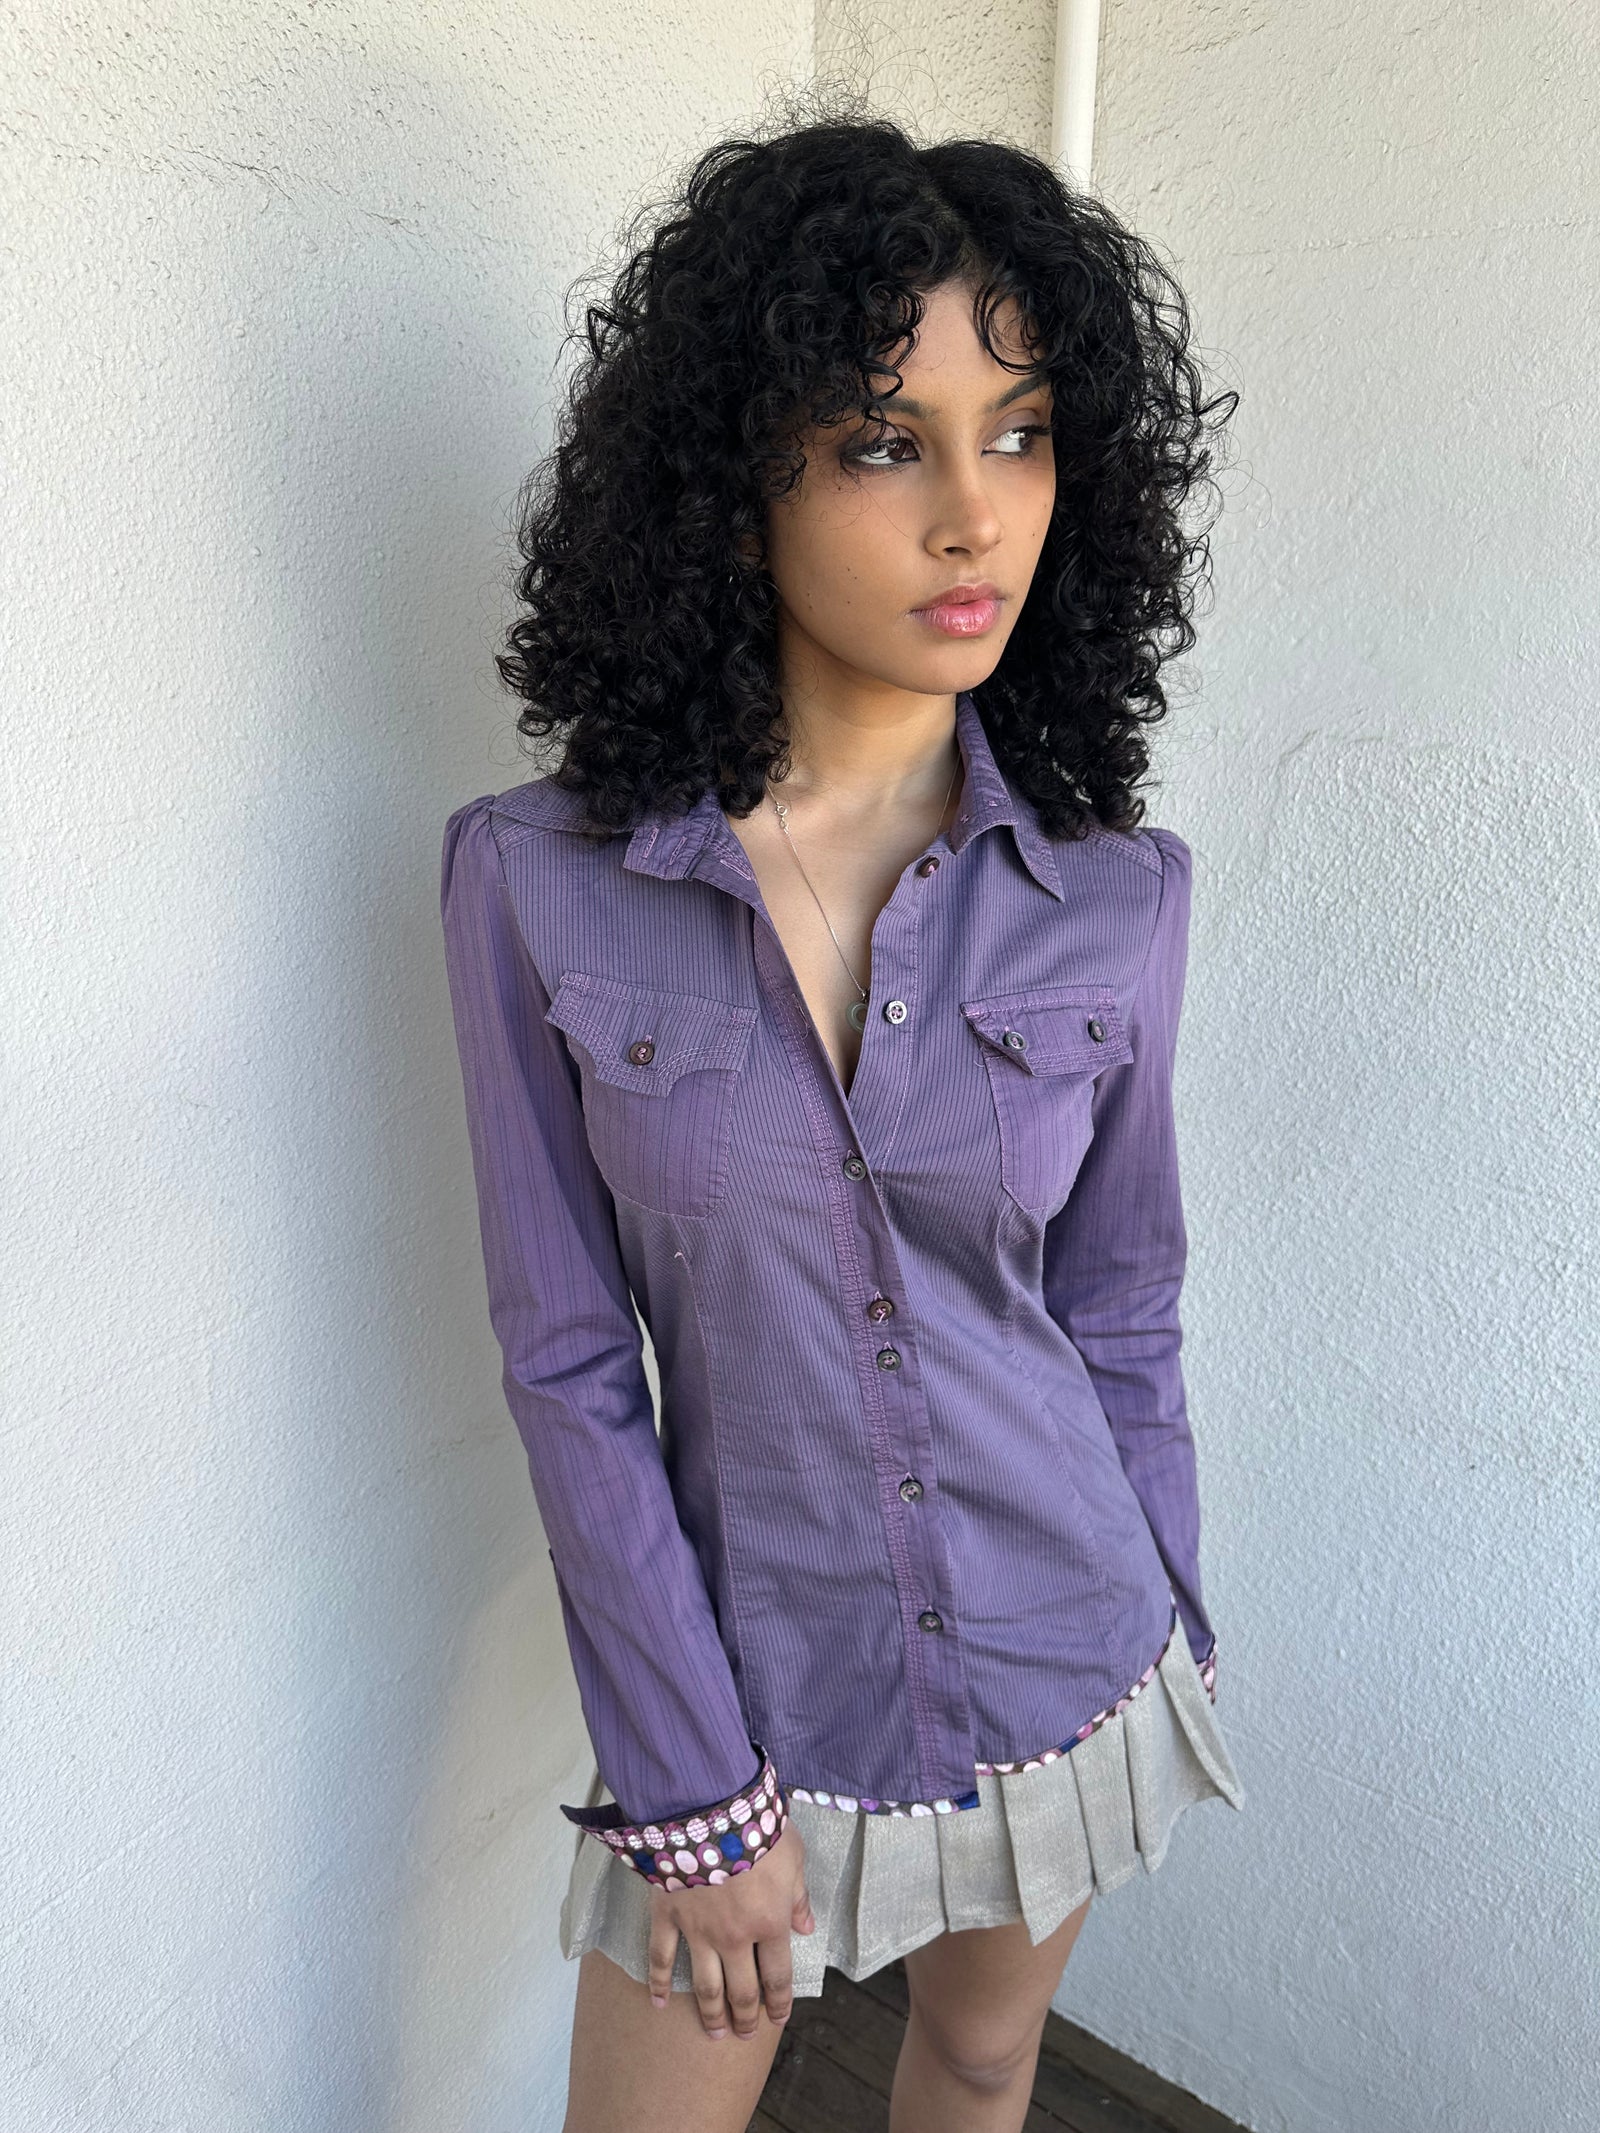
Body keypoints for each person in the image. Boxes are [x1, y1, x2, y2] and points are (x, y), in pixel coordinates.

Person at [439, 104, 1244, 2133]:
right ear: (737, 485)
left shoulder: (1114, 895)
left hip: (1068, 1643)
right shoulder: (536, 882)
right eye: (887, 440)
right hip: (736, 1699)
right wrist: (690, 1791)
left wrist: (1174, 1601)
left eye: (1022, 429)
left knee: (974, 2070)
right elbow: (562, 1356)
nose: (975, 512)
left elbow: (1122, 1305)